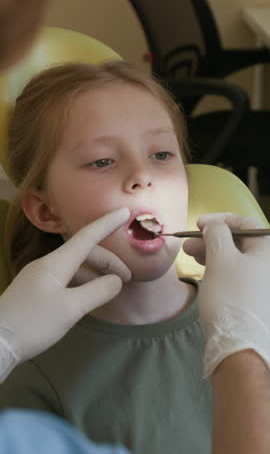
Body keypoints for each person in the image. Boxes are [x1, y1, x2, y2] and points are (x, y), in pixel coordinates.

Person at [0, 59, 269, 454]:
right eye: (102, 161)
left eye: (161, 154)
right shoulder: (31, 379)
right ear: (47, 211)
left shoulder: (257, 313)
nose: (142, 175)